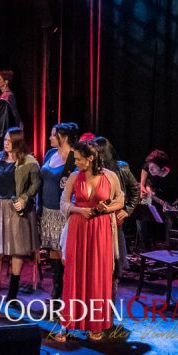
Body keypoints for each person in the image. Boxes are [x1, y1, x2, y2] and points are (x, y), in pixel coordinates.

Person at [55, 140, 124, 342]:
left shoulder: (110, 176)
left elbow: (120, 199)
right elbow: (64, 203)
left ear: (90, 158)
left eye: (78, 158)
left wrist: (108, 208)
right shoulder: (74, 177)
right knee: (73, 274)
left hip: (101, 229)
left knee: (98, 275)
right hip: (79, 228)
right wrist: (79, 209)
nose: (75, 162)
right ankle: (67, 323)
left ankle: (96, 324)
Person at [0, 128, 41, 301]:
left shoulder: (29, 161)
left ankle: (13, 290)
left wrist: (25, 198)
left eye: (9, 140)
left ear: (18, 142)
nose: (6, 143)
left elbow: (36, 184)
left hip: (15, 209)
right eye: (5, 140)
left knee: (16, 250)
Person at [91, 136, 139, 281]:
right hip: (95, 216)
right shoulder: (92, 169)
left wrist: (128, 210)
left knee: (113, 252)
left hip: (114, 217)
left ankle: (112, 287)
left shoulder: (121, 167)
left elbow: (135, 188)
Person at [39, 122, 77, 298]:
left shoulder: (74, 158)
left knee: (64, 249)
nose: (50, 137)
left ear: (65, 137)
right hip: (48, 210)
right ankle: (57, 286)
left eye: (53, 135)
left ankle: (68, 287)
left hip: (63, 212)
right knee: (52, 248)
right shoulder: (50, 154)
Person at [0, 70, 22, 147]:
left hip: (3, 136)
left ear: (6, 82)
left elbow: (3, 119)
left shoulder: (6, 98)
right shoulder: (6, 95)